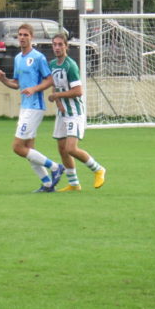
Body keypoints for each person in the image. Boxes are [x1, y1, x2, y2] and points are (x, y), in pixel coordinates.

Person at [0, 23, 64, 192]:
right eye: (20, 34)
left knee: (18, 147)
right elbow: (17, 84)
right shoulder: (18, 58)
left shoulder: (38, 57)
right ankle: (47, 184)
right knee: (29, 150)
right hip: (25, 107)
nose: (22, 37)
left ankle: (55, 167)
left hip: (35, 106)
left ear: (31, 37)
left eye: (26, 34)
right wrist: (4, 80)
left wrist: (34, 88)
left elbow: (49, 80)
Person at [47, 33, 106, 191]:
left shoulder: (70, 65)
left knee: (71, 148)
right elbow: (55, 84)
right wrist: (58, 101)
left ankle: (98, 169)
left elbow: (78, 91)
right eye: (55, 44)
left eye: (60, 44)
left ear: (66, 46)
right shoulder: (52, 64)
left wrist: (57, 96)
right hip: (62, 113)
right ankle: (74, 183)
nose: (57, 47)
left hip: (74, 112)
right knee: (61, 148)